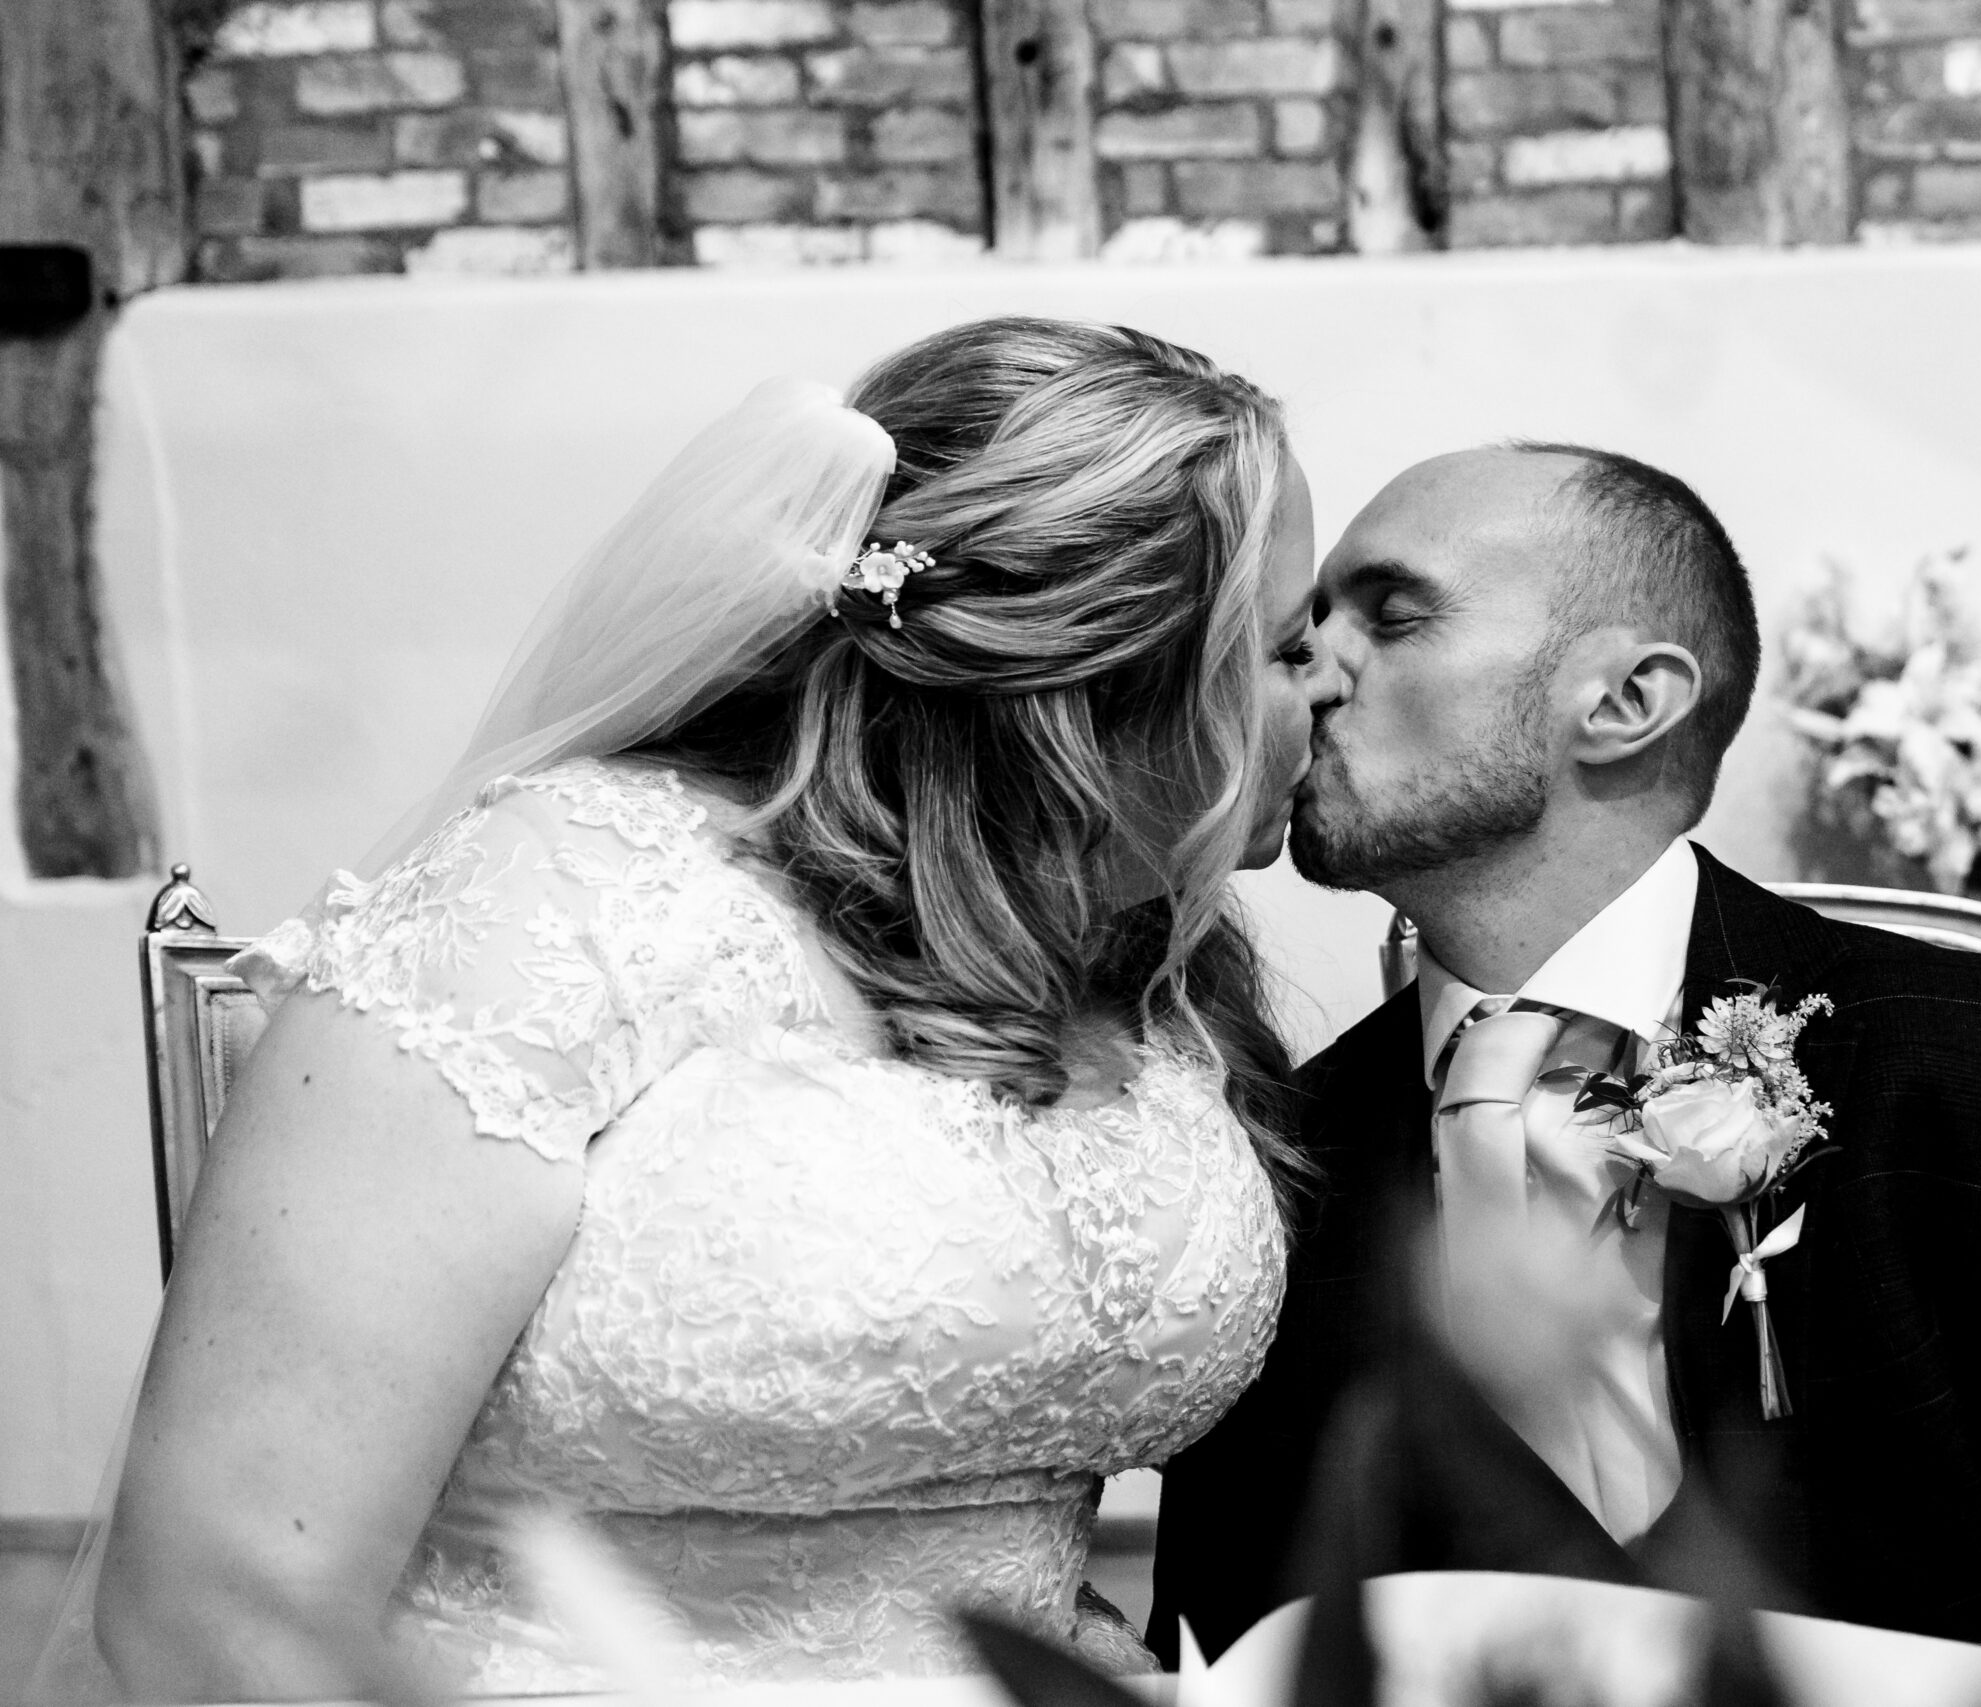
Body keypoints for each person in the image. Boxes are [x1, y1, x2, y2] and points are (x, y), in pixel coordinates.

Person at [46, 317, 1335, 1700]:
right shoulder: (550, 910)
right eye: (1284, 642)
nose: (1324, 685)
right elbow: (221, 1603)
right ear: (1103, 689)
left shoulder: (1164, 974)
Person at [1147, 443, 1981, 1677]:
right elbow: (1215, 1649)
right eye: (1306, 625)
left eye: (1391, 615)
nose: (1306, 666)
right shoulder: (1265, 1155)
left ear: (1628, 702)